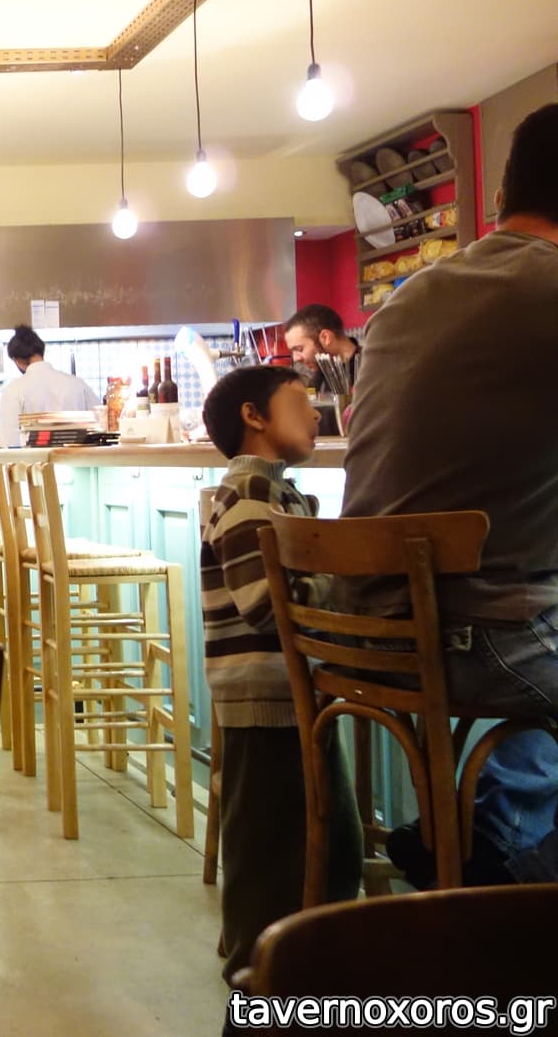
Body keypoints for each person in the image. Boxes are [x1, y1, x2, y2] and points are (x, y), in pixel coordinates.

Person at [342, 102, 558, 885]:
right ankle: (494, 859)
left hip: (357, 628)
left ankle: (480, 841)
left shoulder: (409, 295)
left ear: (498, 196)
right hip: (466, 638)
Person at [199, 366, 361, 989]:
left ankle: (306, 971)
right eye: (301, 401)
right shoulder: (247, 494)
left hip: (295, 694)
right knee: (265, 856)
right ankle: (255, 984)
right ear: (254, 416)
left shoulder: (278, 493)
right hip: (263, 700)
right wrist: (343, 581)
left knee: (329, 841)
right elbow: (267, 603)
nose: (318, 413)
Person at [0, 324, 98, 447]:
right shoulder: (78, 384)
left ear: (17, 360)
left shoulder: (14, 390)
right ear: (41, 351)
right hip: (76, 457)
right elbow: (101, 424)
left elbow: (8, 443)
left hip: (34, 459)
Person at [282, 304, 359, 436]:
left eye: (299, 349)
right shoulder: (319, 377)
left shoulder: (369, 368)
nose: (295, 358)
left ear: (326, 338)